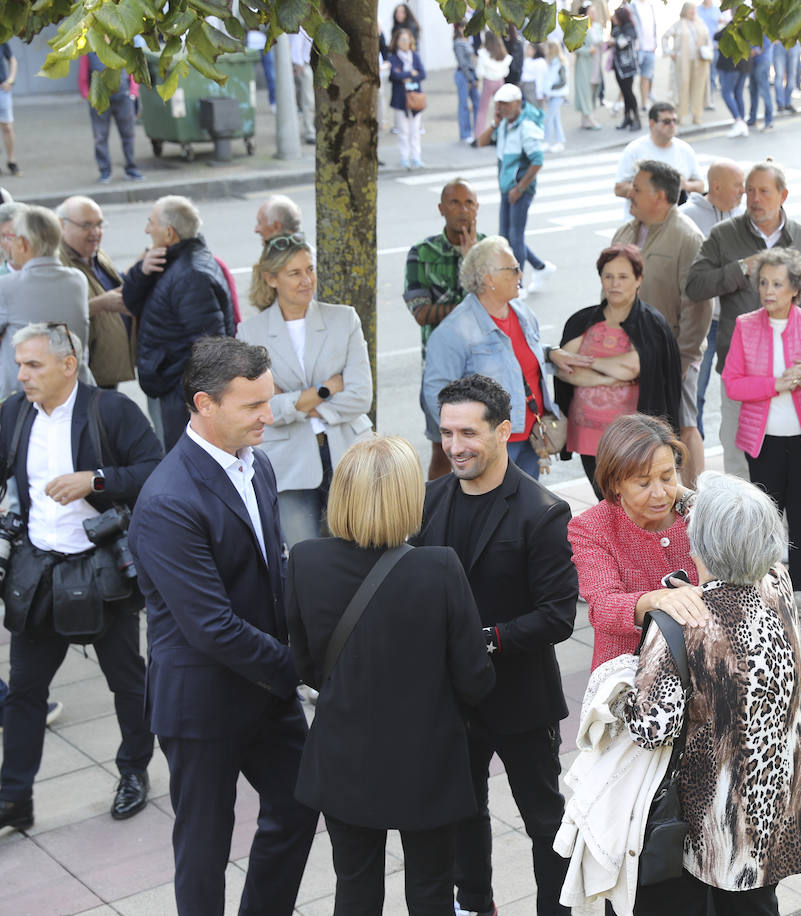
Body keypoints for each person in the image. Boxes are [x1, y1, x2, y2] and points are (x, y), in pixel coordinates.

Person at [129, 336, 320, 913]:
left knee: (299, 804)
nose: (271, 415)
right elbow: (210, 626)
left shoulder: (256, 462)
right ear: (204, 404)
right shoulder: (167, 501)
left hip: (265, 691)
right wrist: (301, 669)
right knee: (205, 848)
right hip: (203, 703)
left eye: (270, 399)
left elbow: (270, 576)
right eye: (253, 406)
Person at [286, 435, 494, 915]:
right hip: (427, 760)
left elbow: (305, 664)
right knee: (431, 889)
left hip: (343, 758)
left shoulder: (306, 561)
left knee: (354, 888)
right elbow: (475, 678)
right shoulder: (438, 567)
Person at [415, 375, 579, 916]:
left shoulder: (543, 511)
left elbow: (556, 617)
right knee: (464, 814)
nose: (455, 447)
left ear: (504, 431)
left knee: (544, 820)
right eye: (446, 433)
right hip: (452, 701)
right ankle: (475, 905)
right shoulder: (430, 500)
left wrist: (482, 641)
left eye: (468, 433)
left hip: (520, 700)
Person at [0, 324, 162, 834]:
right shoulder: (13, 413)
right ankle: (14, 800)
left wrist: (94, 480)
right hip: (39, 574)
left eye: (33, 365)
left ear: (68, 365)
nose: (22, 375)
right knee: (25, 691)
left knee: (126, 683)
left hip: (103, 576)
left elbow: (157, 469)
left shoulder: (109, 411)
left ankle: (134, 772)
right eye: (20, 364)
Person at [622, 472, 801, 916]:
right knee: (761, 904)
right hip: (775, 795)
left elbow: (652, 727)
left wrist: (617, 692)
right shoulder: (778, 585)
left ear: (697, 543)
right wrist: (691, 498)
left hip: (715, 820)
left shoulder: (684, 621)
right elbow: (739, 519)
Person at [685, 161, 801, 477]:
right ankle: (744, 527)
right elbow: (694, 285)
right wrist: (742, 268)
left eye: (763, 191)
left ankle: (782, 528)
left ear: (783, 194)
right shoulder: (724, 236)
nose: (754, 199)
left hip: (794, 379)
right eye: (749, 191)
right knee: (739, 464)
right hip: (743, 376)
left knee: (790, 471)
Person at [236, 234, 372, 547]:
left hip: (348, 453)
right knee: (304, 558)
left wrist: (291, 401)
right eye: (295, 273)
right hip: (288, 462)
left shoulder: (344, 318)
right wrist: (325, 390)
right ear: (271, 278)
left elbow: (361, 396)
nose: (306, 280)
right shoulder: (250, 333)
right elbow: (259, 408)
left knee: (361, 553)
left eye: (309, 269)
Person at [722, 247, 801, 619]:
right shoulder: (745, 325)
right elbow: (733, 384)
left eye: (777, 284)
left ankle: (799, 587)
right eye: (763, 283)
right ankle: (766, 585)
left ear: (795, 289)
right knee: (765, 518)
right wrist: (776, 383)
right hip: (763, 440)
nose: (768, 290)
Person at [568, 413, 709, 671]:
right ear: (615, 483)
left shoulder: (695, 514)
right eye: (643, 483)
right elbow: (603, 607)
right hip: (630, 671)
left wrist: (692, 500)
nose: (659, 493)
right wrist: (656, 600)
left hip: (703, 662)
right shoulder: (592, 527)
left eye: (667, 477)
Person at [421, 237, 555, 481]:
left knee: (526, 512)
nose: (521, 274)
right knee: (492, 513)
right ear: (488, 279)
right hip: (490, 447)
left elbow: (519, 356)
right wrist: (465, 440)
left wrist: (551, 353)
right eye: (513, 269)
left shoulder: (522, 312)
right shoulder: (454, 331)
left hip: (530, 437)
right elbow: (436, 393)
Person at [553, 243, 683, 493]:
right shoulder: (582, 321)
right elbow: (564, 369)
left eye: (623, 277)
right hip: (587, 433)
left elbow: (632, 368)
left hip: (633, 440)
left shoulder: (652, 325)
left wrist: (589, 363)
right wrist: (612, 376)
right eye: (608, 276)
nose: (614, 283)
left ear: (638, 280)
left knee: (633, 504)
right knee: (604, 503)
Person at [610, 161, 709, 480]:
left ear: (661, 196)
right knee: (637, 427)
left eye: (637, 189)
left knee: (684, 425)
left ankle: (696, 505)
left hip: (674, 354)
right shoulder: (625, 231)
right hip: (628, 352)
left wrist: (683, 359)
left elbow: (697, 304)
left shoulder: (687, 237)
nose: (630, 194)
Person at [121, 196, 234, 451]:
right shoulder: (168, 262)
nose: (146, 230)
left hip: (180, 397)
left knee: (182, 461)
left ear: (169, 233)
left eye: (151, 223)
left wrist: (192, 400)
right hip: (173, 390)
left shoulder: (190, 275)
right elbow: (131, 302)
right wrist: (141, 270)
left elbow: (209, 348)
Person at [405, 179, 486, 479]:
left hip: (486, 368)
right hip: (441, 371)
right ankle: (436, 517)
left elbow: (503, 304)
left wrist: (473, 259)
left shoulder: (491, 249)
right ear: (441, 209)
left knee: (487, 450)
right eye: (455, 203)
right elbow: (422, 313)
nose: (463, 210)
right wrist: (473, 301)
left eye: (469, 203)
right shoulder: (422, 254)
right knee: (443, 449)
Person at [681, 159, 747, 436]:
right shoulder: (686, 217)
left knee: (741, 396)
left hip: (738, 320)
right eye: (738, 186)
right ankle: (692, 464)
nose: (744, 192)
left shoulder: (745, 216)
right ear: (716, 186)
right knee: (693, 396)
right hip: (702, 322)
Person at [0, 205, 92, 399]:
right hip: (75, 391)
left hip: (24, 397)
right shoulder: (77, 280)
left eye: (11, 238)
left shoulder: (6, 286)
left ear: (23, 244)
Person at [478, 84, 556, 289]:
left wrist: (520, 188)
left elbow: (537, 160)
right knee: (505, 237)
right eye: (498, 104)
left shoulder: (526, 127)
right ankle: (540, 267)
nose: (501, 108)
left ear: (518, 103)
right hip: (507, 188)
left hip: (520, 189)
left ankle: (517, 285)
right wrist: (494, 124)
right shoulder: (504, 125)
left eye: (505, 104)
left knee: (515, 236)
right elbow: (481, 142)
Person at [57, 196, 136, 389]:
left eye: (99, 225)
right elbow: (55, 318)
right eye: (86, 226)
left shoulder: (95, 252)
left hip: (105, 370)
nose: (95, 233)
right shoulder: (56, 262)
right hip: (81, 373)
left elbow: (111, 284)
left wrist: (141, 268)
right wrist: (100, 304)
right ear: (62, 225)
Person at [612, 102, 706, 213]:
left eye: (675, 121)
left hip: (676, 220)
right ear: (652, 123)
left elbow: (700, 186)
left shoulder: (685, 149)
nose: (672, 125)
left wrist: (685, 185)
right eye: (666, 122)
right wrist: (650, 190)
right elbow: (619, 189)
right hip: (642, 220)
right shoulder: (634, 150)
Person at [78, 49, 143, 182]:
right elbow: (83, 75)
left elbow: (133, 69)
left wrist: (133, 93)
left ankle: (131, 169)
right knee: (100, 136)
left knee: (128, 135)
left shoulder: (122, 45)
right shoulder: (89, 50)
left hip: (123, 97)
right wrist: (87, 95)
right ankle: (105, 171)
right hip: (99, 99)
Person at [386, 28, 426, 169]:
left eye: (407, 39)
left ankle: (416, 157)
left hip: (415, 97)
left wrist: (406, 75)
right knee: (403, 130)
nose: (405, 42)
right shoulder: (393, 58)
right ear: (397, 42)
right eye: (402, 40)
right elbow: (394, 76)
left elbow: (422, 74)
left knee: (415, 130)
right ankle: (404, 157)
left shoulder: (414, 56)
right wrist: (409, 73)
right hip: (400, 99)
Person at [664, 3, 709, 125]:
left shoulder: (700, 24)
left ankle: (696, 115)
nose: (693, 12)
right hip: (683, 62)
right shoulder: (679, 24)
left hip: (699, 62)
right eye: (690, 9)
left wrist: (707, 52)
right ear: (685, 11)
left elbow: (707, 40)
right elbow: (665, 37)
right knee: (682, 88)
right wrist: (670, 52)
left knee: (698, 89)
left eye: (694, 9)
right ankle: (680, 115)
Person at [572, 2, 605, 130]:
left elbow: (600, 42)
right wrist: (587, 51)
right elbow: (575, 47)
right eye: (591, 12)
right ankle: (590, 118)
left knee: (593, 89)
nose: (594, 14)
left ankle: (585, 119)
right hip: (584, 64)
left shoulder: (597, 27)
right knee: (585, 90)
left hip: (596, 62)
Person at [475, 29, 512, 138]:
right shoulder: (502, 53)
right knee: (499, 110)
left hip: (488, 81)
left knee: (483, 110)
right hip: (500, 81)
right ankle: (500, 134)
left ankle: (479, 136)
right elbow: (506, 72)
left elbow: (480, 72)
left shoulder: (483, 54)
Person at [610, 7, 641, 131]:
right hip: (618, 67)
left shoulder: (630, 28)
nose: (614, 19)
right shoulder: (617, 28)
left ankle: (637, 119)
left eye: (615, 17)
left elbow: (623, 43)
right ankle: (627, 118)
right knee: (625, 93)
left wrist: (615, 39)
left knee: (629, 93)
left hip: (628, 67)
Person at [716, 22, 749, 137]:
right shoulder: (748, 26)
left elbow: (716, 36)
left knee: (726, 93)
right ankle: (742, 122)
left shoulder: (732, 25)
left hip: (732, 66)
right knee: (738, 93)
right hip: (744, 65)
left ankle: (739, 120)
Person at [454, 24, 481, 145]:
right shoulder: (458, 43)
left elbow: (471, 62)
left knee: (477, 103)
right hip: (463, 75)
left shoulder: (467, 41)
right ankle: (465, 134)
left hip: (471, 75)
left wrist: (475, 78)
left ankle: (478, 131)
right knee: (464, 105)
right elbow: (463, 63)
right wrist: (470, 79)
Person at [290, 30, 317, 145]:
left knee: (307, 99)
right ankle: (309, 132)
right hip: (302, 65)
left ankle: (310, 129)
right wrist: (299, 65)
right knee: (308, 100)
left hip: (304, 64)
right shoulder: (301, 27)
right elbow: (296, 46)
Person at [542, 42, 569, 152]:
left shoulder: (559, 64)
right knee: (556, 119)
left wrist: (551, 88)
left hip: (557, 95)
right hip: (553, 95)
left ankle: (547, 141)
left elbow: (563, 81)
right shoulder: (552, 63)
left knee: (549, 118)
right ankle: (560, 141)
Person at [747, 40, 776, 132]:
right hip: (753, 61)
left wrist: (756, 50)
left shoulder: (763, 26)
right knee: (753, 90)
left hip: (762, 60)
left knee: (764, 92)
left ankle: (769, 121)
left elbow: (768, 42)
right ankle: (752, 119)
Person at [0, 41, 15, 176]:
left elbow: (12, 59)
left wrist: (10, 79)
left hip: (2, 89)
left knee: (7, 127)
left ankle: (11, 160)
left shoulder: (2, 38)